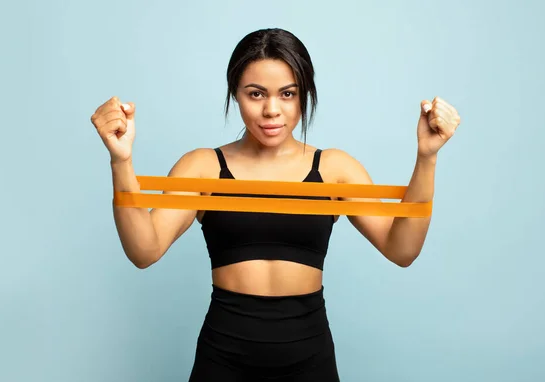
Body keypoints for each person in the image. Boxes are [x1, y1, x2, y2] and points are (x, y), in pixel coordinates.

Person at [90, 28, 461, 381]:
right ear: (235, 93)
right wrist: (121, 161)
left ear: (304, 96)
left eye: (287, 94)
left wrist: (426, 157)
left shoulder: (334, 168)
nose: (272, 110)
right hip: (223, 356)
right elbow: (144, 250)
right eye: (256, 94)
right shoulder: (203, 167)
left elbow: (403, 249)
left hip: (309, 356)